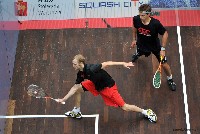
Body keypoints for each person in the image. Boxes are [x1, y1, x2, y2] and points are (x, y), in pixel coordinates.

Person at [57, 54, 157, 122]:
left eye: (74, 64)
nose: (73, 65)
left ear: (80, 64)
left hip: (108, 87)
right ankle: (76, 112)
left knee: (125, 107)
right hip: (96, 84)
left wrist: (123, 63)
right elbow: (74, 88)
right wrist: (63, 99)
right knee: (78, 90)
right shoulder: (81, 74)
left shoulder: (92, 68)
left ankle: (146, 112)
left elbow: (107, 63)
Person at [131, 4, 176, 91]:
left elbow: (165, 33)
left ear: (148, 14)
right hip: (141, 44)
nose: (140, 17)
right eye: (140, 14)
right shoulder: (136, 19)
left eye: (143, 15)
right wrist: (134, 39)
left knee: (164, 64)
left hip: (155, 47)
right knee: (139, 51)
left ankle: (170, 79)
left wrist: (163, 49)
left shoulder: (155, 23)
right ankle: (138, 53)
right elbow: (134, 27)